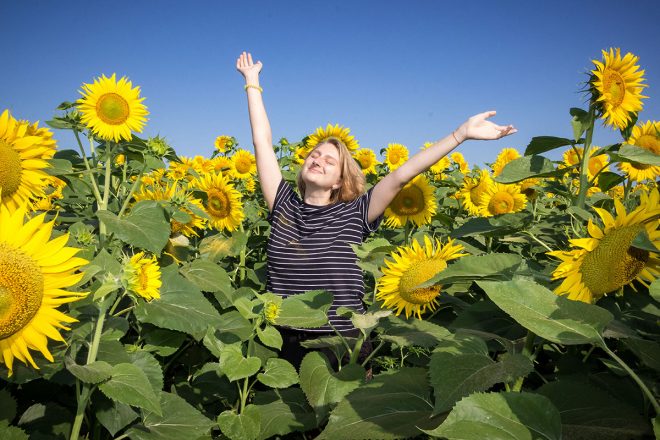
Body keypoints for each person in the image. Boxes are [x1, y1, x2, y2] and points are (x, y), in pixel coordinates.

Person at [236, 51, 516, 369]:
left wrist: (460, 135)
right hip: (280, 339)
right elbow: (262, 142)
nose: (317, 160)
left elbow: (401, 175)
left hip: (340, 341)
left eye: (329, 160)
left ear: (341, 179)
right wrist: (252, 82)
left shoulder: (357, 212)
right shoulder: (282, 203)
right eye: (314, 155)